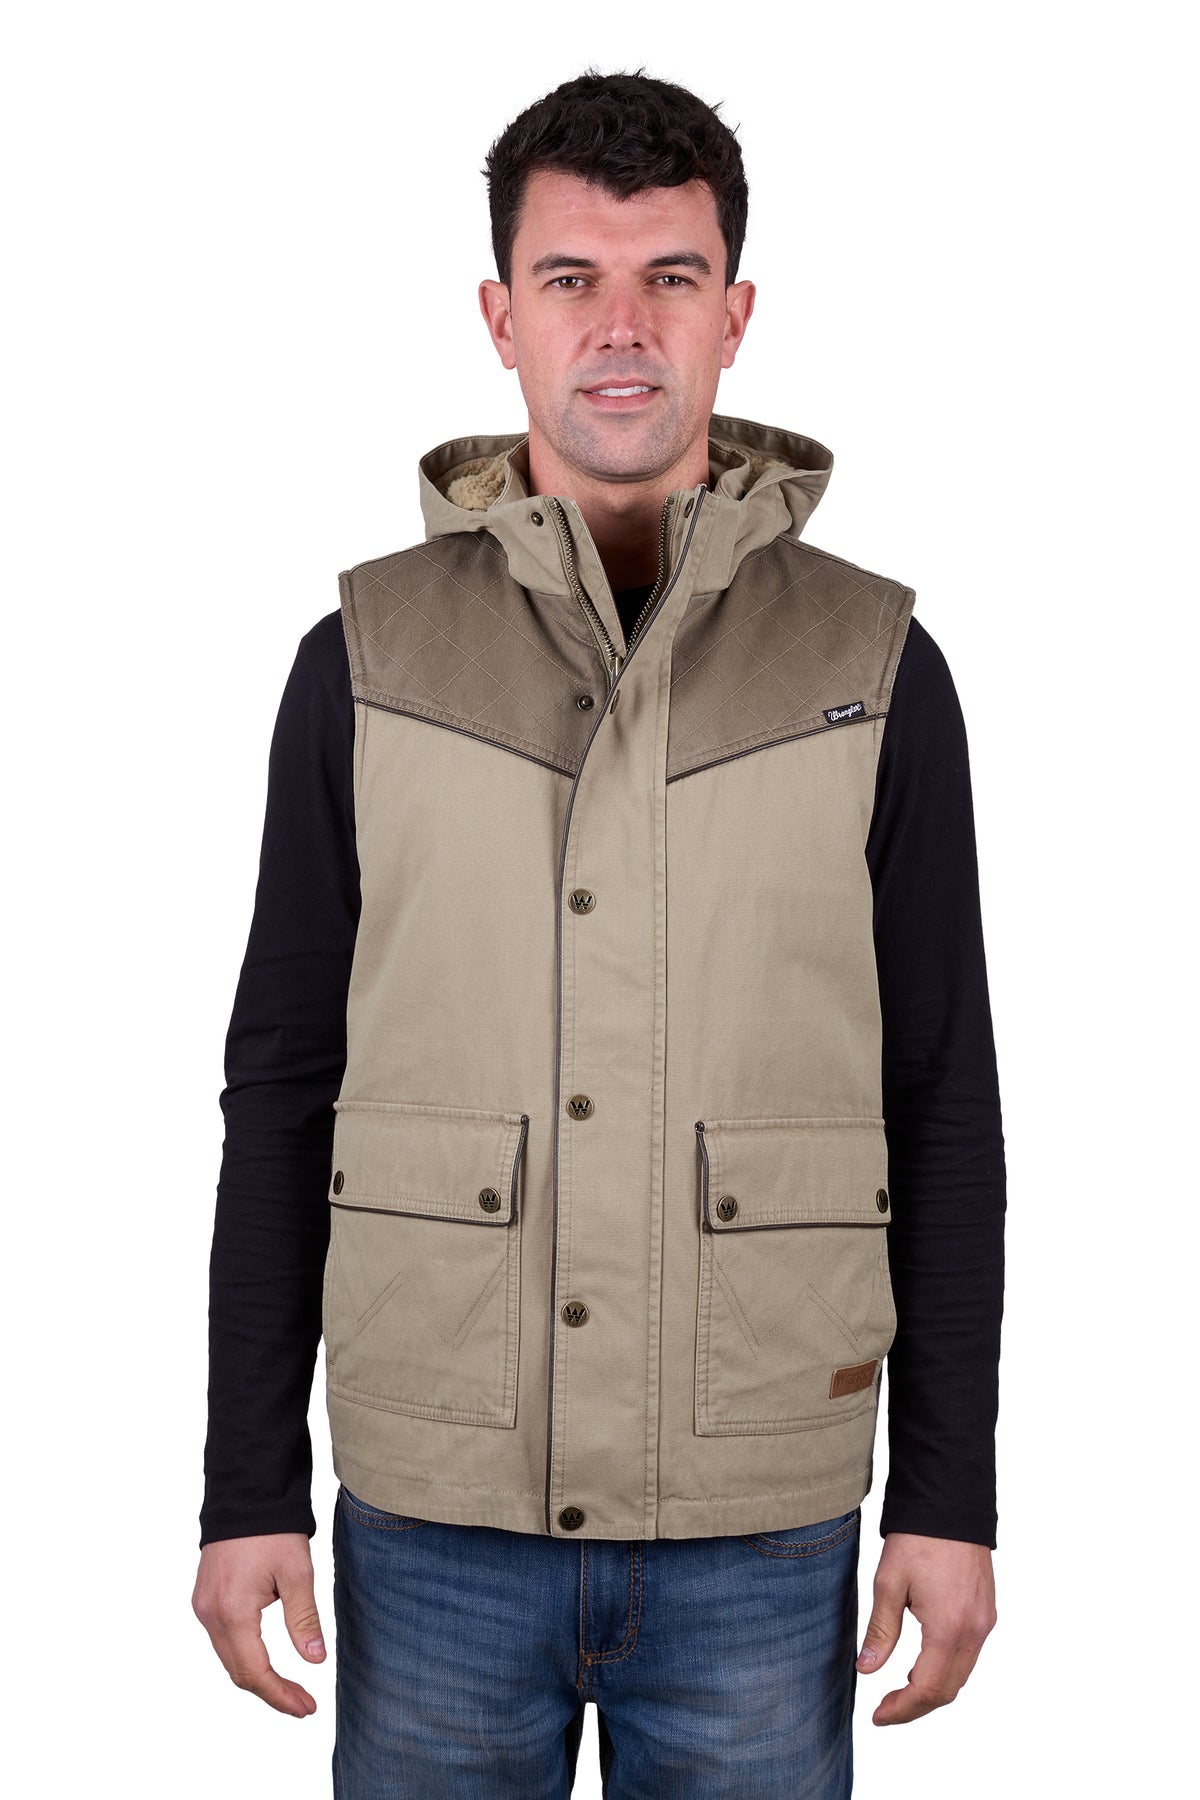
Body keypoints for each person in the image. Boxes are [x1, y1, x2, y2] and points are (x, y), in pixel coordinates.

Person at [192, 66, 1006, 1799]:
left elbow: (945, 1100)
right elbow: (283, 1087)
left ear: (736, 316)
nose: (621, 328)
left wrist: (951, 1496)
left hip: (758, 1516)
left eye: (670, 279)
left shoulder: (875, 670)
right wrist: (245, 1482)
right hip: (435, 1512)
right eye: (571, 279)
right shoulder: (364, 663)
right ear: (502, 318)